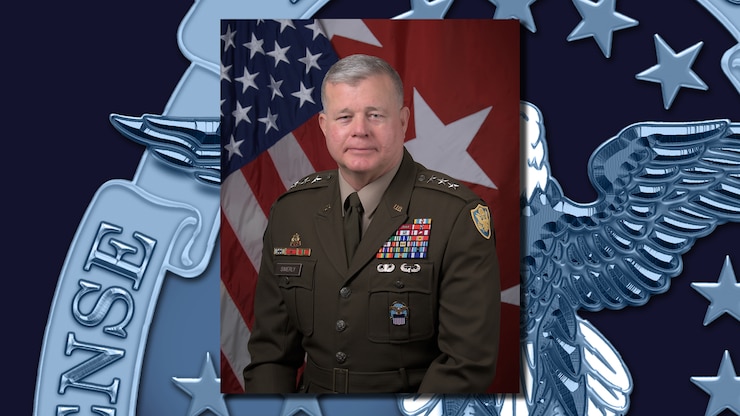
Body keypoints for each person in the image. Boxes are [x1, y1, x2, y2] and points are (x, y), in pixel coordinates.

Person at [242, 54, 501, 394]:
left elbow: (465, 365)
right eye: (344, 117)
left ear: (404, 121)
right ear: (324, 125)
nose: (360, 130)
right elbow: (270, 356)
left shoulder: (455, 216)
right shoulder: (293, 212)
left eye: (375, 115)